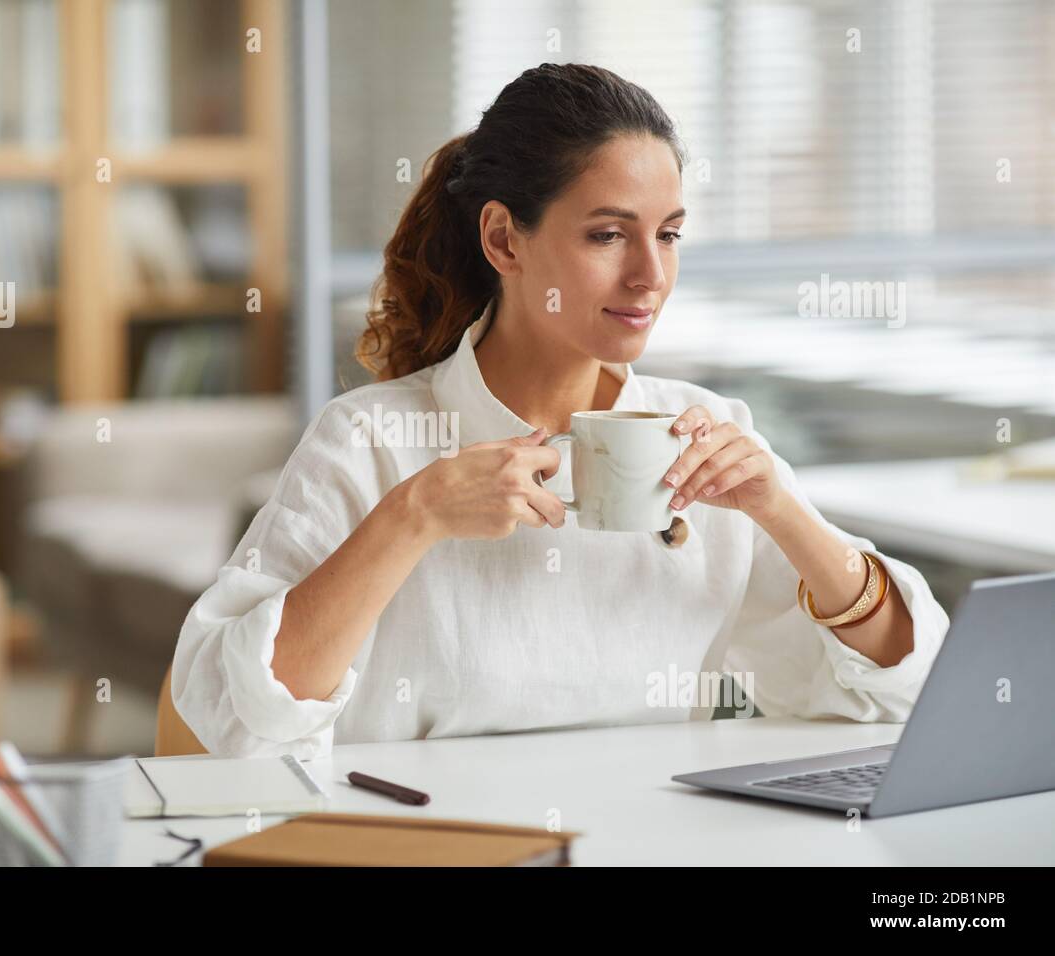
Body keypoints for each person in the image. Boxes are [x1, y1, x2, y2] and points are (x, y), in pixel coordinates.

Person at [171, 63, 949, 758]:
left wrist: (782, 512)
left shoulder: (704, 430)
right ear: (505, 240)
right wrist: (414, 514)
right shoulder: (369, 440)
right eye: (609, 234)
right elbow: (233, 720)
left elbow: (901, 690)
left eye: (669, 235)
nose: (650, 275)